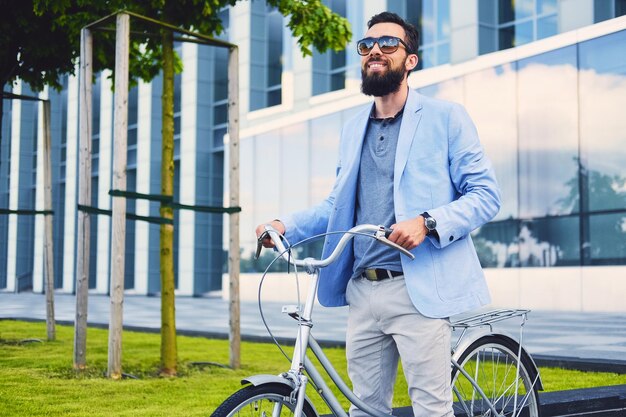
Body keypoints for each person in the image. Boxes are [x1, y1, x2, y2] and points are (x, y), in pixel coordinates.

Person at [255, 11, 501, 417]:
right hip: (362, 290)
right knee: (365, 408)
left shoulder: (446, 118)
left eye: (388, 44)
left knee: (430, 409)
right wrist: (285, 225)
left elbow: (486, 195)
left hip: (417, 289)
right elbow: (337, 205)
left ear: (410, 60)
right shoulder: (354, 128)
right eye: (367, 45)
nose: (375, 51)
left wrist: (427, 222)